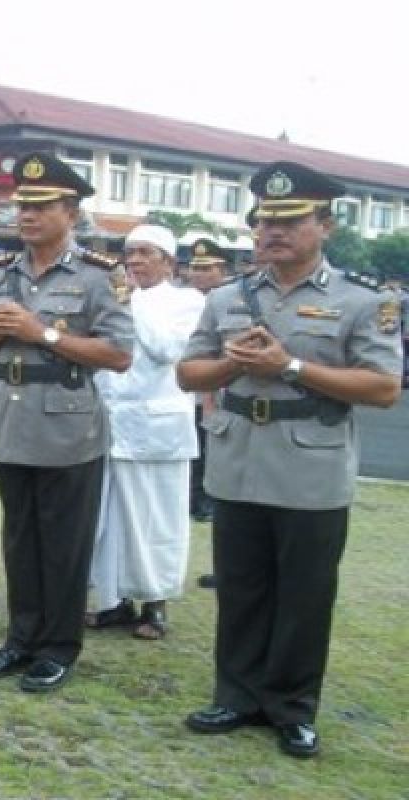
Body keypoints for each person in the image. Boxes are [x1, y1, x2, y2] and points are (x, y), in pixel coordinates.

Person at [178, 161, 402, 759]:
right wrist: (232, 365)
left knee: (303, 598)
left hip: (312, 468)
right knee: (242, 589)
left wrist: (292, 368)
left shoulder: (361, 300)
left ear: (325, 225)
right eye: (265, 221)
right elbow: (187, 373)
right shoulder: (228, 295)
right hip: (238, 460)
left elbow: (383, 388)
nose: (273, 231)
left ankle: (291, 708)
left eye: (290, 220)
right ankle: (236, 694)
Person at [0, 152, 134, 692]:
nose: (28, 215)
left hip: (69, 424)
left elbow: (119, 354)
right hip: (10, 418)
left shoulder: (100, 277)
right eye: (23, 206)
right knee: (20, 538)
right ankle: (20, 639)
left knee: (63, 542)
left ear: (72, 212)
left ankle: (57, 647)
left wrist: (43, 334)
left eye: (42, 206)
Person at [85, 224, 205, 640]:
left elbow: (167, 350)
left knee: (155, 520)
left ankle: (155, 605)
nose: (134, 261)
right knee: (107, 518)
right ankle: (113, 601)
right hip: (109, 422)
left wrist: (129, 301)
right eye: (129, 253)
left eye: (145, 253)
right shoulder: (114, 294)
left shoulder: (187, 301)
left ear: (169, 261)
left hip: (157, 427)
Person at [186, 238, 229, 525]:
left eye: (207, 268)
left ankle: (206, 499)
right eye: (195, 268)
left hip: (218, 385)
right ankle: (195, 499)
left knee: (211, 446)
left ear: (221, 270)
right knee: (195, 448)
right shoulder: (180, 300)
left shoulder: (232, 299)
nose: (199, 274)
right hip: (186, 386)